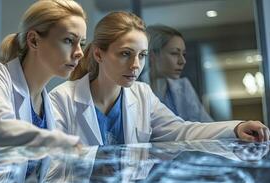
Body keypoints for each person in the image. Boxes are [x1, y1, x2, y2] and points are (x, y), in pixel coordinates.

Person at [50, 11, 269, 146]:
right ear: (99, 54)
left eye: (142, 55)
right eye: (125, 54)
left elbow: (181, 131)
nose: (136, 65)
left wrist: (236, 128)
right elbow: (52, 166)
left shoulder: (142, 94)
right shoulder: (61, 98)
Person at [0, 0, 87, 147]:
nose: (80, 53)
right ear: (34, 41)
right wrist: (59, 142)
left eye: (81, 43)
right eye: (69, 40)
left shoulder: (47, 105)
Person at [147, 25, 213, 122]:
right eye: (174, 53)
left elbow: (206, 124)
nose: (182, 61)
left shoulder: (183, 87)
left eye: (183, 54)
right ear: (153, 55)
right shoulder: (136, 89)